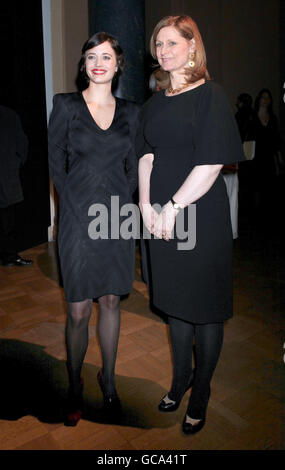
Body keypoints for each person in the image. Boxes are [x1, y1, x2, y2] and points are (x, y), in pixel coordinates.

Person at [137, 15, 244, 434]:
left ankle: (200, 393)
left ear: (192, 47)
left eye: (171, 43)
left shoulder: (210, 95)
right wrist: (146, 206)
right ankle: (180, 381)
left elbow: (212, 161)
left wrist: (173, 207)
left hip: (198, 214)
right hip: (160, 214)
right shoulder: (155, 102)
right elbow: (146, 155)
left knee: (205, 312)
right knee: (176, 307)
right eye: (157, 44)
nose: (162, 51)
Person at [48, 32, 139, 426]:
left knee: (112, 302)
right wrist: (74, 206)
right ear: (83, 65)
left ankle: (109, 380)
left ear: (118, 64)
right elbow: (54, 162)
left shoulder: (133, 112)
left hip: (117, 219)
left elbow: (135, 168)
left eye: (106, 56)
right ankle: (73, 385)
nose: (98, 62)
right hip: (77, 220)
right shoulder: (65, 106)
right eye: (90, 56)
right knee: (78, 309)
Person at [0, 105, 33, 266]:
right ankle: (9, 256)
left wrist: (15, 163)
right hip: (7, 175)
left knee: (9, 222)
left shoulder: (8, 115)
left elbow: (22, 143)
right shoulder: (8, 114)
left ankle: (9, 256)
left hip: (6, 176)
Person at [251, 88, 282, 216]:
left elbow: (276, 139)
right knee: (256, 185)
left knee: (269, 185)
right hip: (256, 156)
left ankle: (267, 212)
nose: (265, 100)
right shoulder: (252, 116)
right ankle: (256, 212)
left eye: (268, 98)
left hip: (269, 155)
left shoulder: (273, 117)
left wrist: (279, 157)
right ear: (259, 99)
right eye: (263, 97)